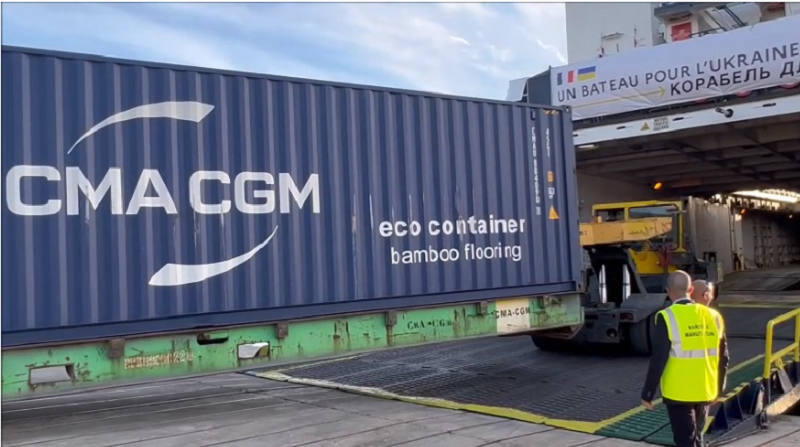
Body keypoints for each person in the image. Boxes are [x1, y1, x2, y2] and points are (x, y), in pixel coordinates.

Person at [640, 271, 730, 447]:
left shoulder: (667, 317)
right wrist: (718, 389)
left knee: (685, 441)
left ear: (668, 290)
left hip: (678, 392)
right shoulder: (714, 317)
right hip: (705, 389)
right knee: (697, 438)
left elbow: (659, 359)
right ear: (690, 289)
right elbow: (724, 358)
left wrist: (647, 393)